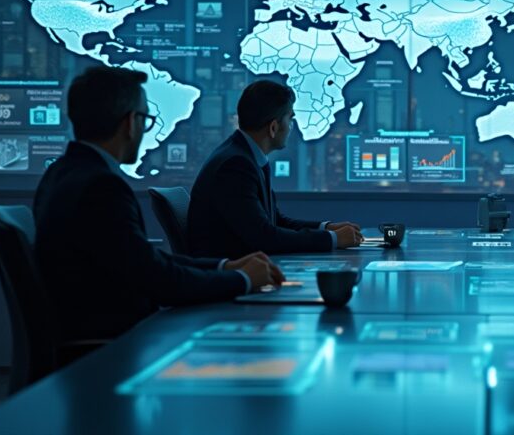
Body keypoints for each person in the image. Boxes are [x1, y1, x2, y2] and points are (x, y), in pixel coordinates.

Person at [35, 67, 283, 342]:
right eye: (146, 120)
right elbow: (158, 280)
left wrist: (225, 267)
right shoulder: (101, 188)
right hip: (118, 347)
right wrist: (243, 280)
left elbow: (143, 260)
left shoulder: (60, 174)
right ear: (130, 123)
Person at [188, 80, 362, 258]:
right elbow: (265, 237)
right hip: (231, 274)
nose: (292, 126)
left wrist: (325, 228)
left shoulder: (243, 156)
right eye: (290, 119)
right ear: (273, 127)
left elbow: (274, 221)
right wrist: (332, 238)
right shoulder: (235, 166)